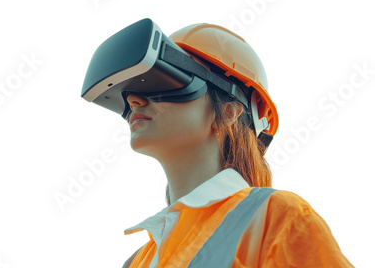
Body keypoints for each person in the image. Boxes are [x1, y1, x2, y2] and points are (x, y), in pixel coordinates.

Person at [118, 23, 354, 267]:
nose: (133, 99)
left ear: (229, 113)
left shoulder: (278, 219)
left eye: (166, 80)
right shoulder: (137, 262)